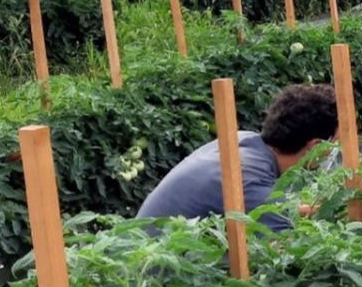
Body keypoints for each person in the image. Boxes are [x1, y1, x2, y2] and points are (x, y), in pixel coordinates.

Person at [138, 84, 338, 232]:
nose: (335, 151)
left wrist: (323, 208)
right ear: (315, 147)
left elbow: (266, 205)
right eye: (335, 143)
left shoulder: (243, 141)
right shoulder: (248, 179)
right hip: (152, 279)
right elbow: (286, 252)